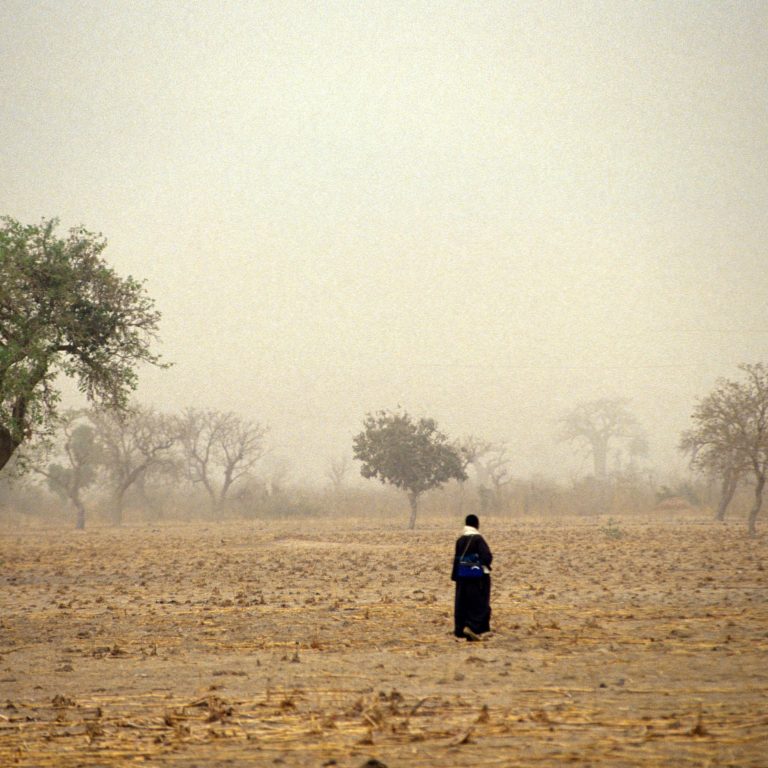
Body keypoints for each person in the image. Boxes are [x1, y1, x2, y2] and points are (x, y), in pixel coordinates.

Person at [451, 514, 493, 641]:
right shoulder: (478, 539)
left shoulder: (460, 540)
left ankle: (462, 629)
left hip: (462, 577)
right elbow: (487, 557)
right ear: (477, 524)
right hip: (478, 578)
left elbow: (456, 560)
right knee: (480, 604)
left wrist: (456, 577)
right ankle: (473, 628)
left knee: (463, 603)